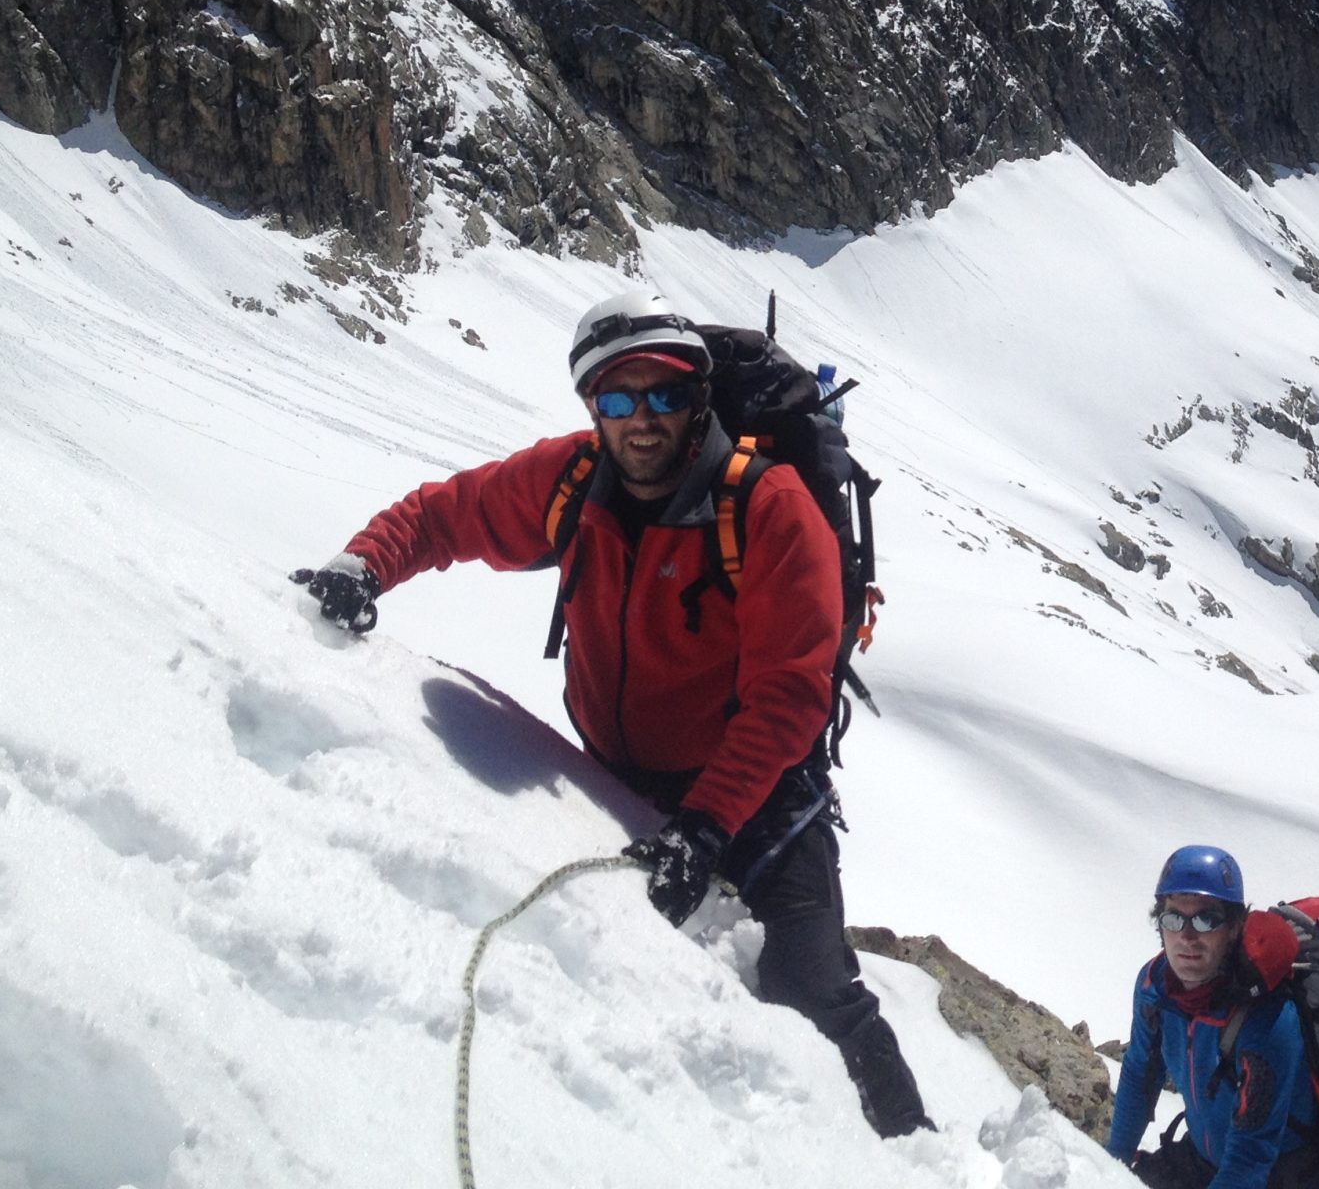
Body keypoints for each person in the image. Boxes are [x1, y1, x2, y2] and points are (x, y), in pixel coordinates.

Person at [293, 286, 929, 1138]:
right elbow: (448, 515)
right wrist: (364, 565)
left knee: (814, 989)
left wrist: (705, 827)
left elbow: (790, 696)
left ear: (697, 396)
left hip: (763, 794)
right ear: (594, 408)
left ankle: (911, 1148)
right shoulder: (574, 479)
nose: (642, 420)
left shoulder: (767, 507)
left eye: (663, 394)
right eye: (618, 401)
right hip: (619, 780)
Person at [1106, 845, 1319, 1189]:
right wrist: (1109, 1168)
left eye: (1206, 919)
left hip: (1278, 1174)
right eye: (1173, 919)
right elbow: (1140, 1076)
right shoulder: (1154, 987)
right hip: (1202, 1157)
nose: (1187, 936)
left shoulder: (1266, 1015)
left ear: (1235, 927)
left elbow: (1250, 1156)